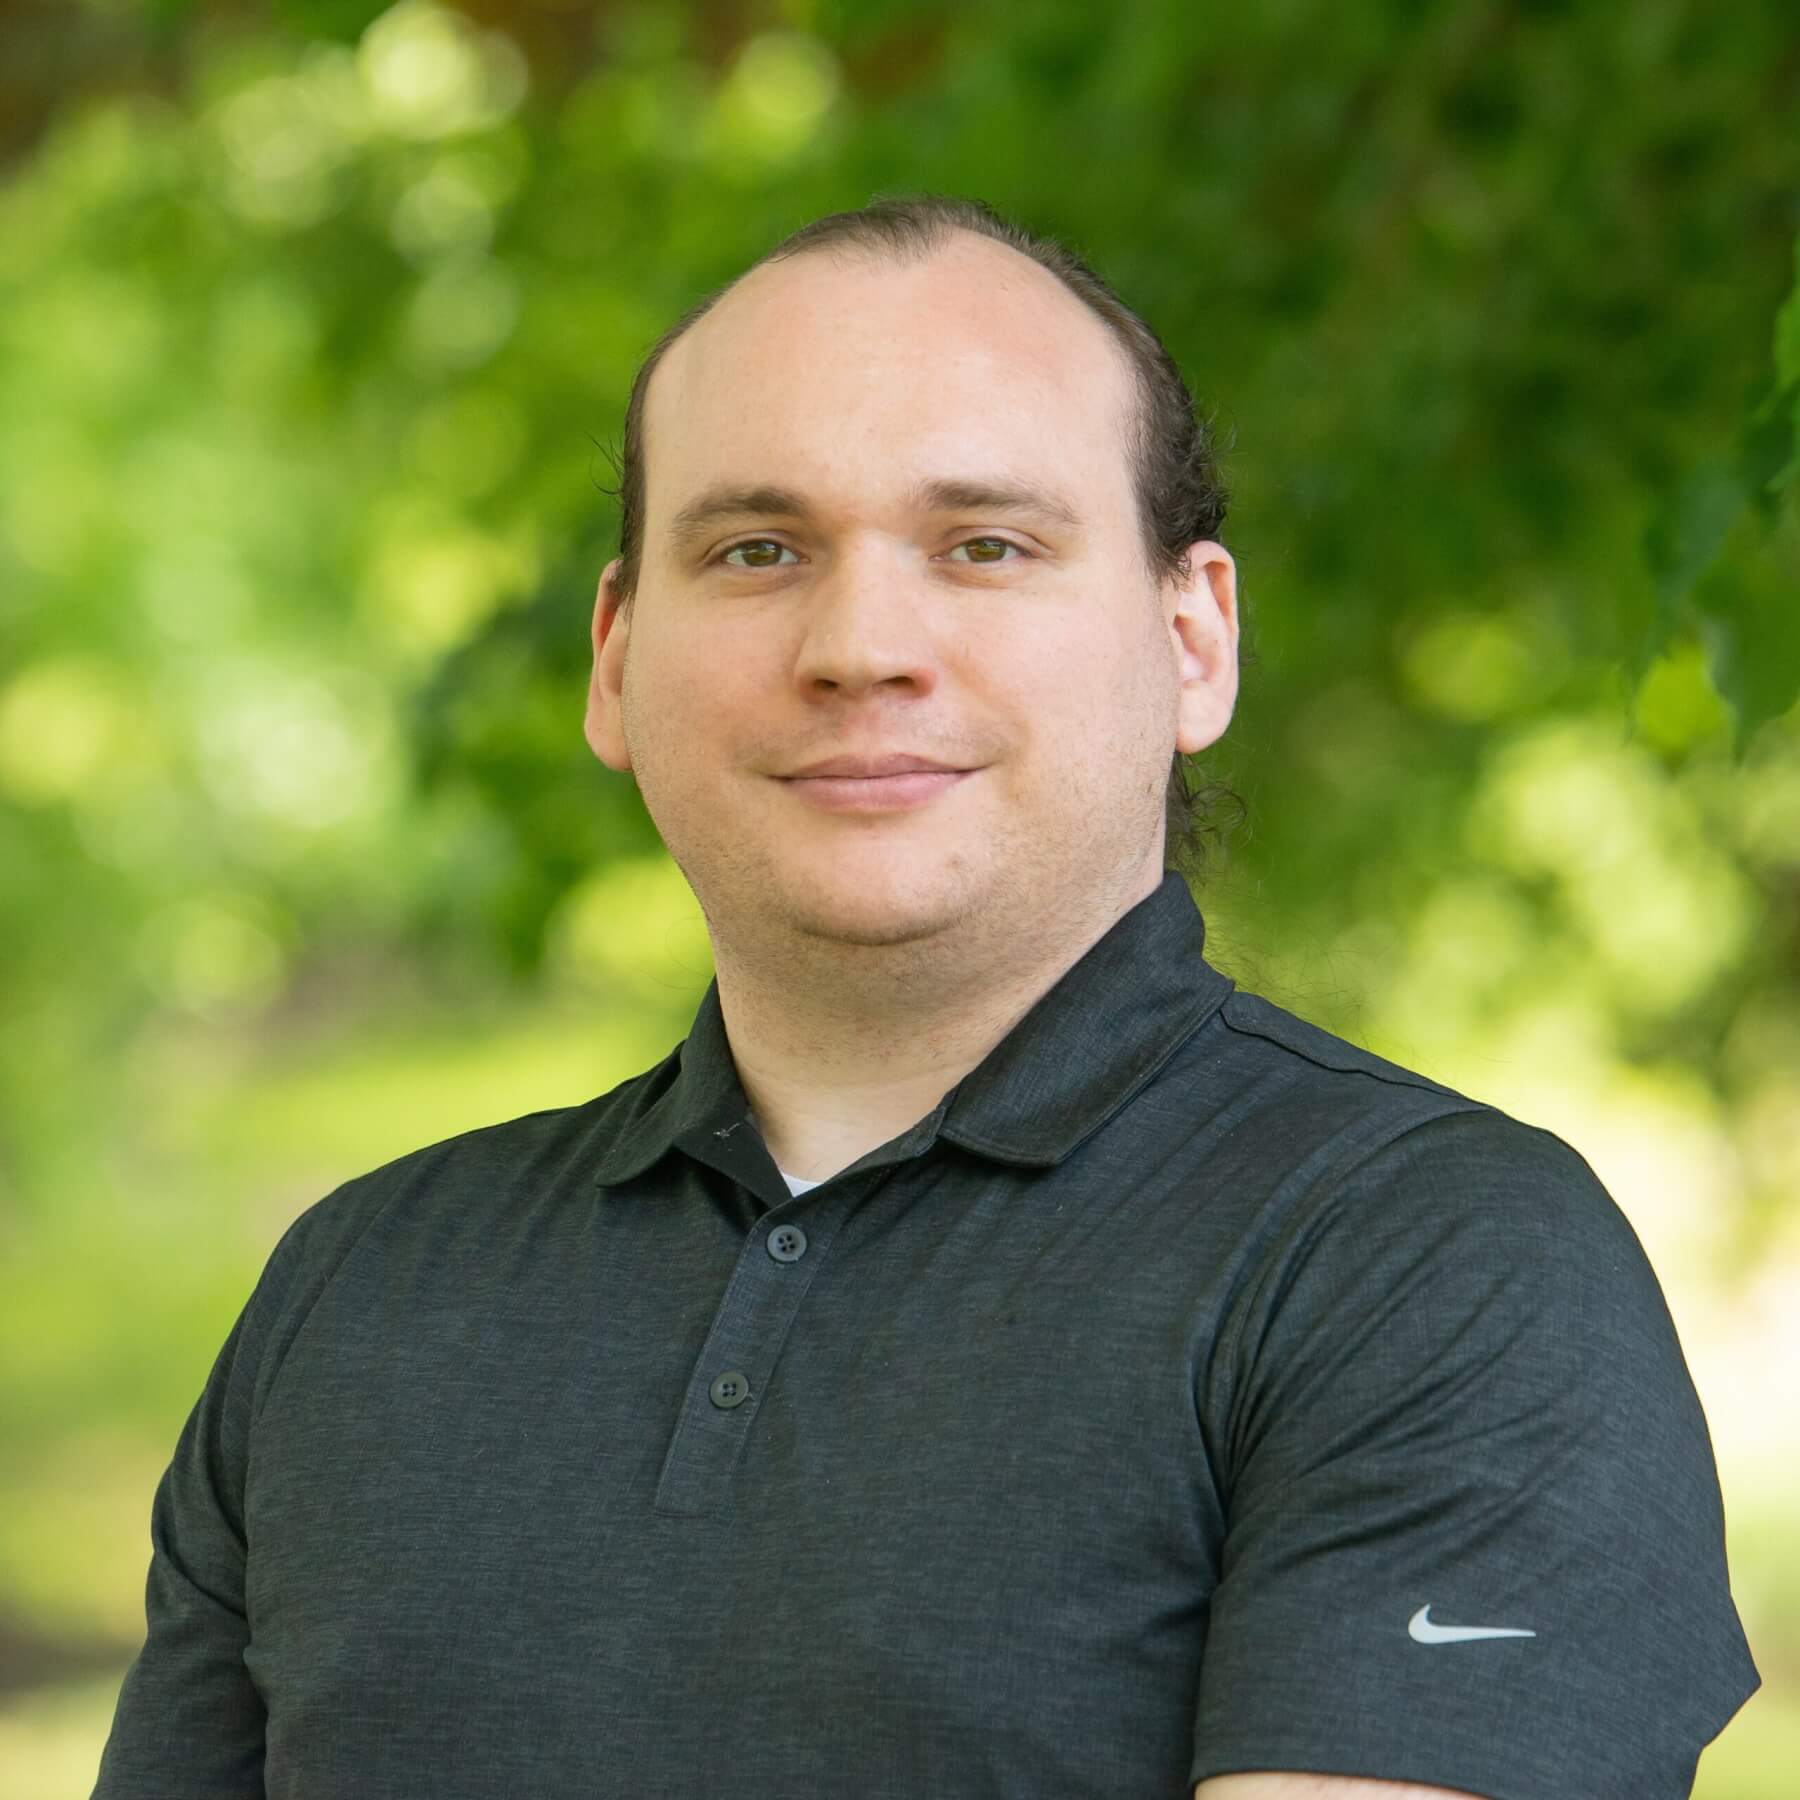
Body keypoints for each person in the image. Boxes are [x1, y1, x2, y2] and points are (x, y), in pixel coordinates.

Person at [93, 195, 1758, 1800]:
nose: (861, 643)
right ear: (614, 659)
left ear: (1194, 641)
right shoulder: (363, 1288)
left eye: (984, 544)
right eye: (756, 549)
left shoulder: (1432, 1266)